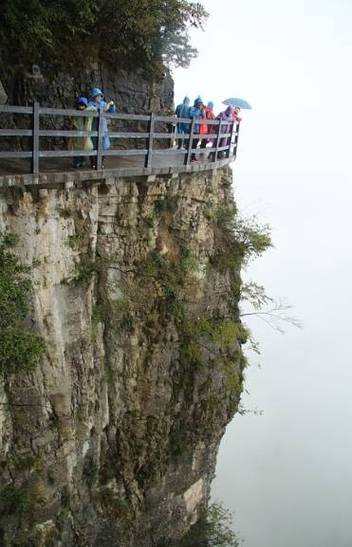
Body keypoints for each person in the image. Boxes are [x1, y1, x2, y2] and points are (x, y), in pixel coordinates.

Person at [88, 87, 117, 169]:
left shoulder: (103, 103)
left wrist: (112, 105)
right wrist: (105, 107)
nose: (98, 97)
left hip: (103, 128)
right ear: (93, 96)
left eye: (100, 96)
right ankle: (93, 163)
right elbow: (98, 110)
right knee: (92, 146)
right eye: (97, 96)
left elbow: (112, 111)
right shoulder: (90, 104)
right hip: (93, 127)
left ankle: (101, 163)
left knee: (105, 146)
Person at [70, 97, 96, 169]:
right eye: (80, 105)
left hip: (86, 134)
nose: (81, 107)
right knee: (77, 149)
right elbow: (72, 120)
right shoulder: (76, 114)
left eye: (83, 105)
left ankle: (90, 162)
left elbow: (94, 109)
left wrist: (85, 110)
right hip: (77, 135)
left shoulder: (89, 113)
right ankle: (77, 162)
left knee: (88, 148)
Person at [188, 96, 204, 161]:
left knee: (195, 143)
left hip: (197, 129)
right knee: (191, 143)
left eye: (201, 103)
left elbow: (203, 116)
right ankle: (189, 157)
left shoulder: (200, 110)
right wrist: (198, 110)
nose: (200, 104)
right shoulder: (192, 108)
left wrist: (202, 111)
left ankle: (193, 156)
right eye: (199, 103)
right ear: (196, 103)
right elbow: (191, 114)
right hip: (192, 129)